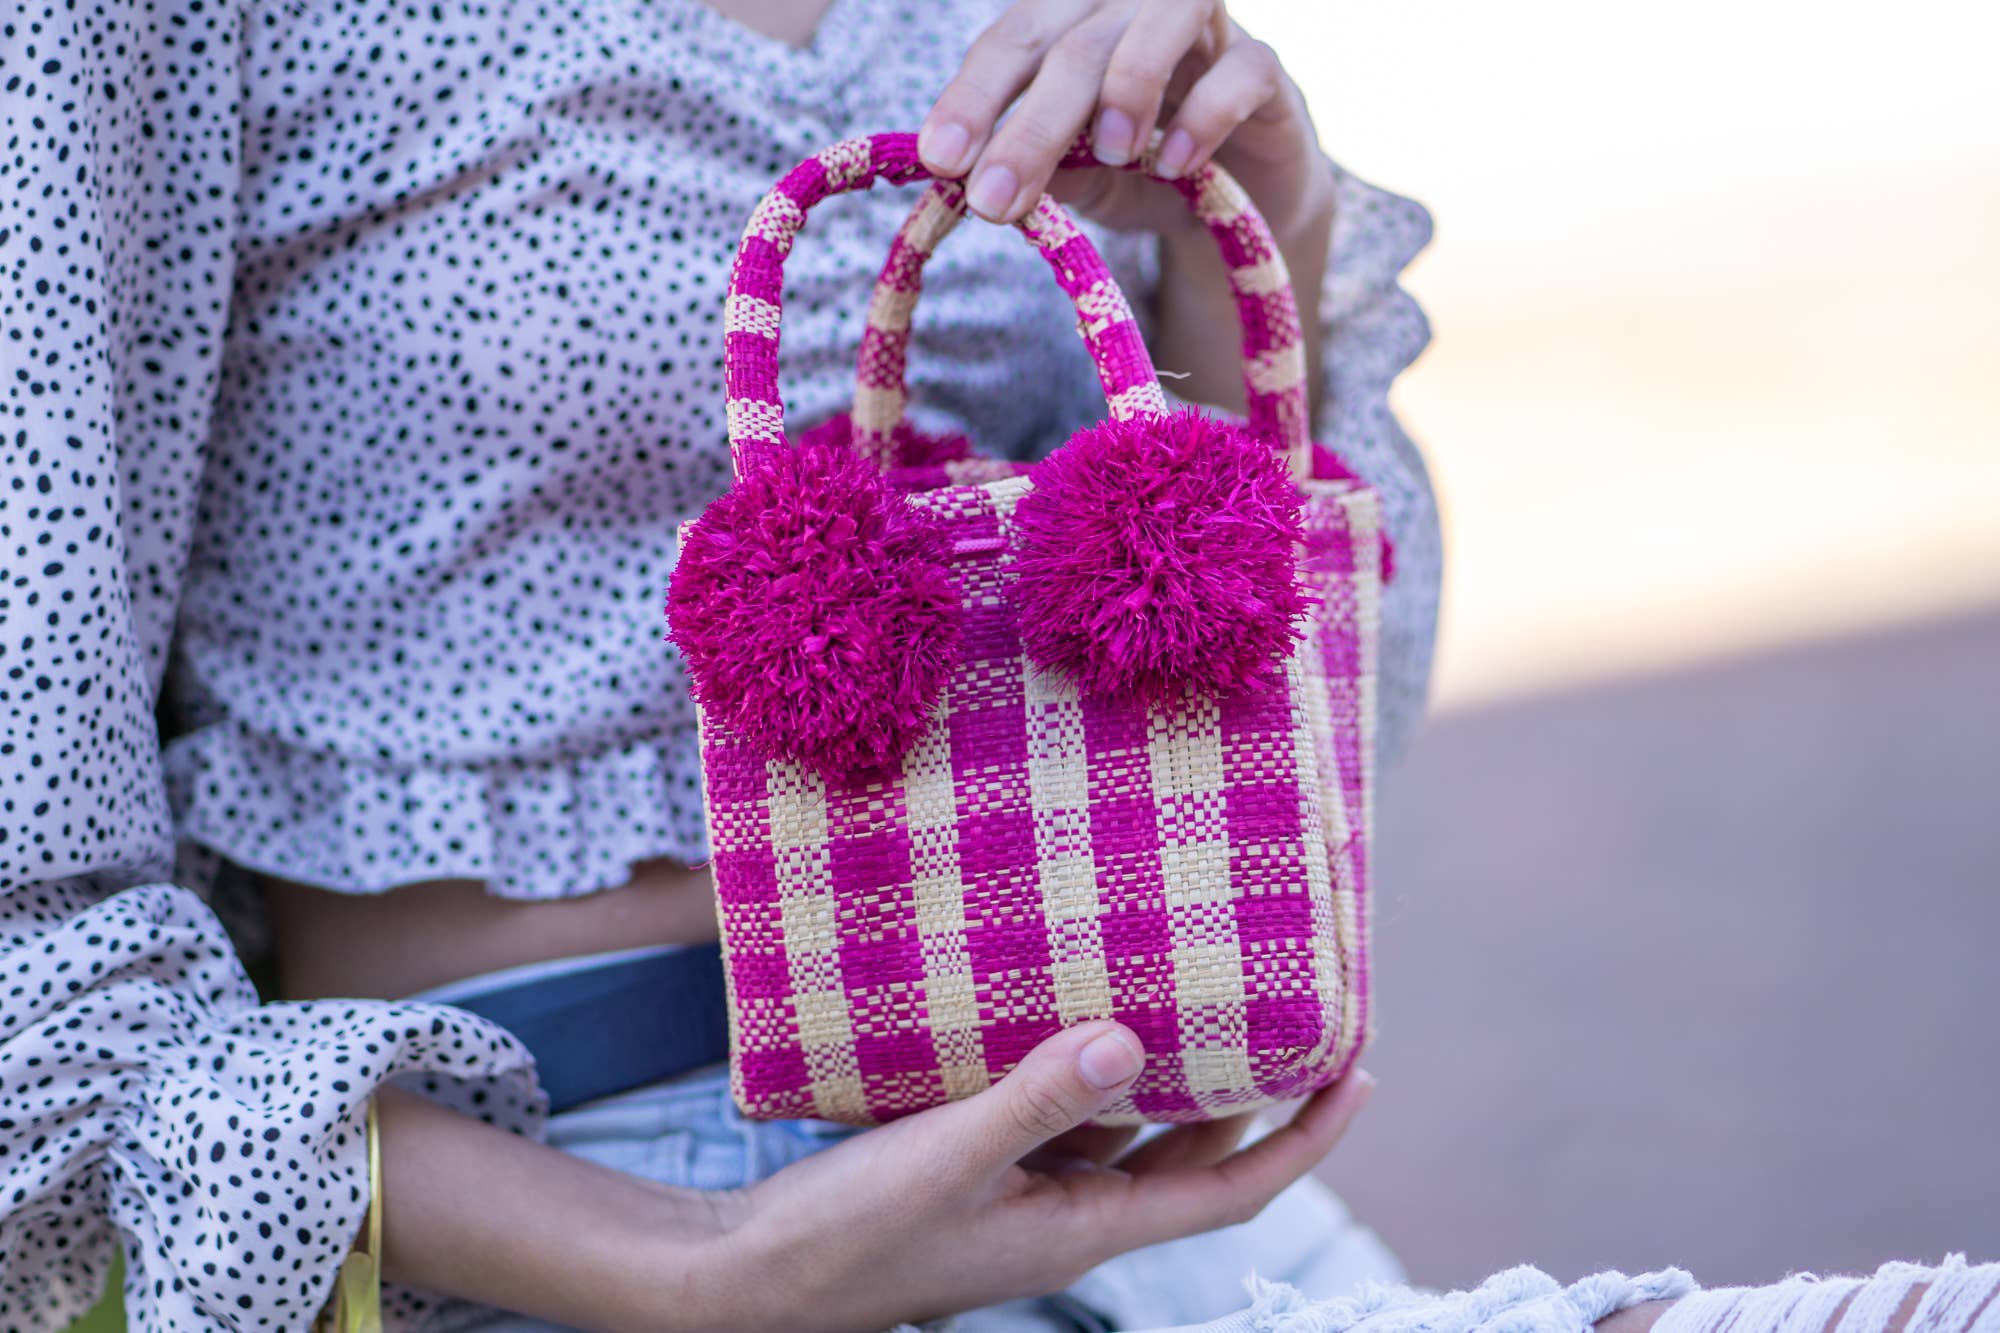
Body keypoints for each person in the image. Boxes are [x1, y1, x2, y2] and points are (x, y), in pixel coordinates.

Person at [1, 3, 1989, 1332]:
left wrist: (1247, 216)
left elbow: (1255, 689)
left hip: (1137, 1166)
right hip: (570, 1226)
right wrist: (706, 1266)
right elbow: (32, 943)